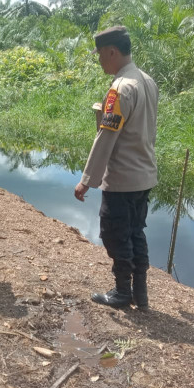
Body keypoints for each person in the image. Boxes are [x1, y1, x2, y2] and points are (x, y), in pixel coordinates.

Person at [74, 26, 158, 309]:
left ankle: (123, 292)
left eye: (100, 55)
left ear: (112, 51)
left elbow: (107, 137)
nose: (99, 61)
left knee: (115, 233)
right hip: (144, 176)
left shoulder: (121, 88)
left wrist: (87, 180)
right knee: (136, 231)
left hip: (122, 179)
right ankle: (141, 292)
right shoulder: (147, 81)